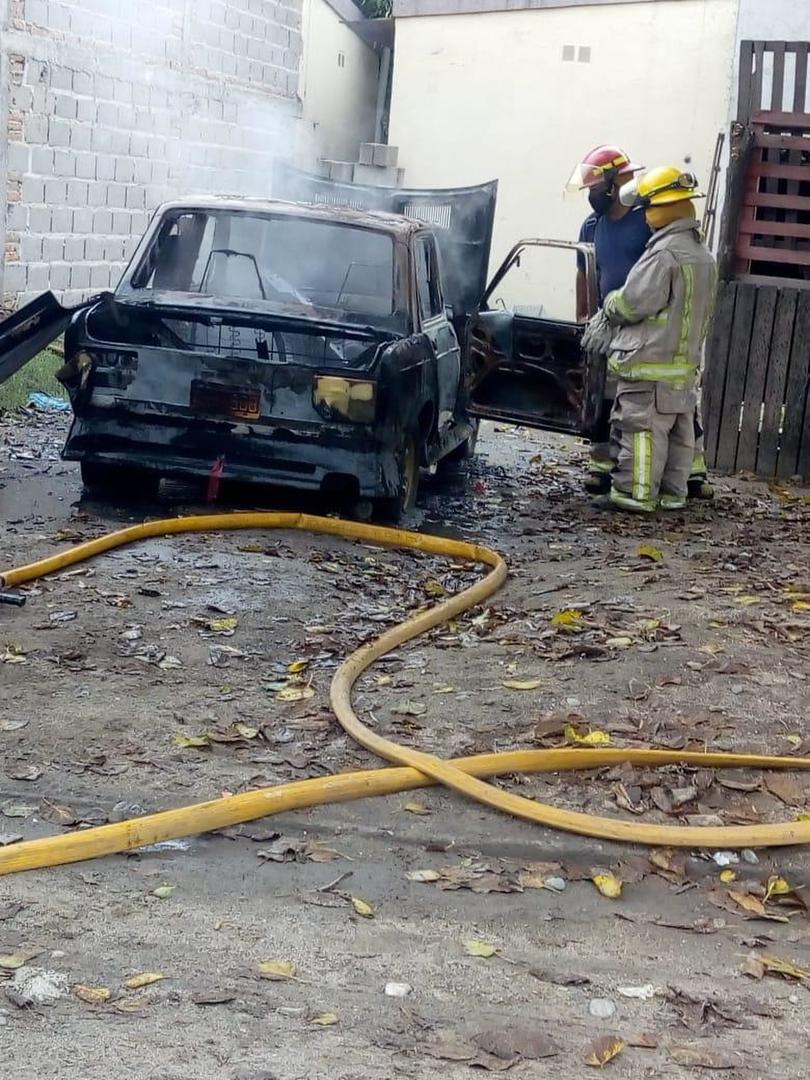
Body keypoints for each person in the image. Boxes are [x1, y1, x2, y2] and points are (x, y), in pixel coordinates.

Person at [570, 146, 712, 498]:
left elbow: (650, 285)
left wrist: (619, 311)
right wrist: (587, 318)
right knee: (610, 401)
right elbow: (585, 272)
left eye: (594, 188)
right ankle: (605, 465)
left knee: (658, 406)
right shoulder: (592, 226)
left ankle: (688, 476)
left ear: (617, 181)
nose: (592, 197)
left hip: (647, 328)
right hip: (609, 325)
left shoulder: (650, 223)